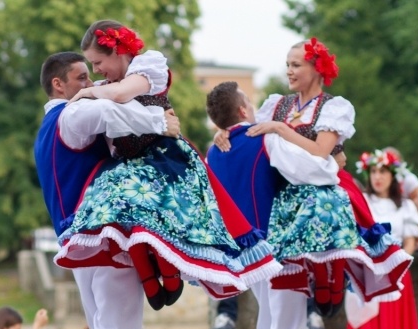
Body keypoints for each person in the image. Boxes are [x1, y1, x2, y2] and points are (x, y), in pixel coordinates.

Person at [56, 20, 281, 310]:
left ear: (116, 50)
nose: (97, 70)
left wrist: (88, 93)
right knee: (119, 212)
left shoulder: (148, 67)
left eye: (98, 62)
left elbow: (123, 94)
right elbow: (110, 102)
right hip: (128, 163)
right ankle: (150, 279)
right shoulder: (105, 87)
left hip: (164, 158)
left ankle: (170, 274)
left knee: (165, 214)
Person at [34, 50, 181, 329]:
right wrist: (162, 123)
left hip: (78, 244)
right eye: (81, 77)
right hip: (106, 239)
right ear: (58, 85)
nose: (90, 84)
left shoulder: (47, 126)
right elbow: (111, 116)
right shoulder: (73, 114)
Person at [215, 39, 411, 313]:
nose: (289, 71)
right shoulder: (277, 105)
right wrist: (224, 131)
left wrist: (282, 130)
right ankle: (317, 284)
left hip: (326, 182)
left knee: (325, 208)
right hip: (288, 187)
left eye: (296, 65)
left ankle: (332, 279)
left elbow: (321, 152)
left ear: (317, 69)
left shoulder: (333, 107)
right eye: (287, 65)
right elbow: (250, 131)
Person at [206, 80, 341, 329]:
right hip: (278, 250)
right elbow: (316, 170)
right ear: (244, 111)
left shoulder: (213, 150)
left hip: (245, 259)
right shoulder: (265, 140)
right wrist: (333, 160)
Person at [341, 149, 418, 329]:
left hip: (396, 274)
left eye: (383, 172)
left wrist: (394, 262)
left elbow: (410, 241)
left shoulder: (405, 206)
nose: (378, 177)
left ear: (393, 176)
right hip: (367, 271)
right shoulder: (361, 201)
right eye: (374, 172)